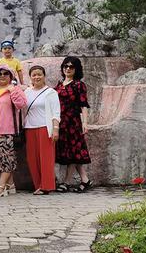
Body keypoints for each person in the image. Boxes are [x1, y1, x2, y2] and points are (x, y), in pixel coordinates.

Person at [0, 64, 27, 197]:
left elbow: (21, 104)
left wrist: (12, 90)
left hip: (7, 129)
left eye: (5, 73)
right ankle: (11, 185)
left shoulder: (15, 89)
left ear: (10, 76)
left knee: (7, 158)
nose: (2, 76)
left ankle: (0, 187)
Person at [55, 56, 92, 193]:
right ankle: (85, 180)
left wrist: (85, 123)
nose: (68, 69)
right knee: (73, 152)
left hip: (73, 122)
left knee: (73, 151)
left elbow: (84, 105)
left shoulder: (79, 85)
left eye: (71, 67)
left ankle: (67, 181)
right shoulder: (59, 85)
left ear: (76, 69)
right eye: (65, 66)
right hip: (61, 123)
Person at [23, 65, 61, 195]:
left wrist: (55, 129)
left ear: (44, 76)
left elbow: (56, 112)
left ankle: (46, 186)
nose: (37, 77)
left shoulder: (51, 92)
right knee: (32, 158)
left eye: (39, 74)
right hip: (30, 127)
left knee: (46, 158)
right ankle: (38, 184)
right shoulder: (26, 92)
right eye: (34, 75)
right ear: (30, 77)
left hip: (45, 127)